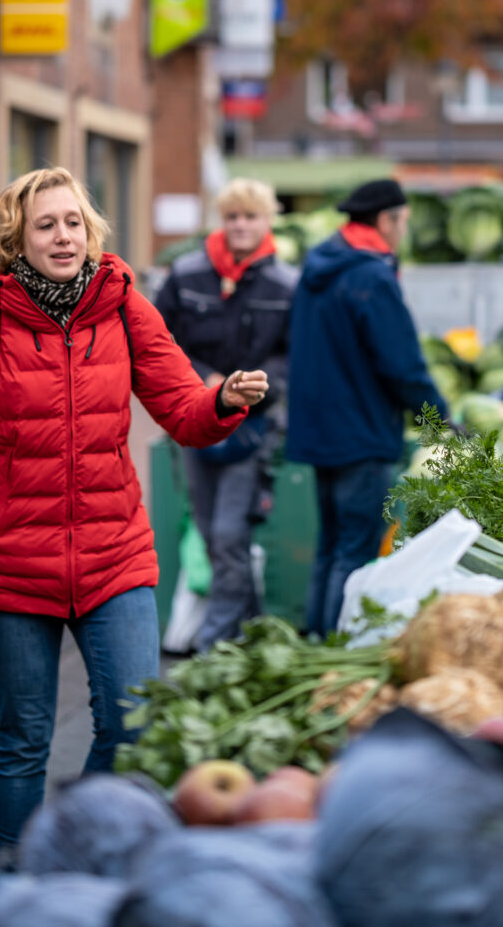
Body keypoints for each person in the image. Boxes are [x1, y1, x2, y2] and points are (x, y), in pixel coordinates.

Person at [0, 167, 268, 861]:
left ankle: (71, 857)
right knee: (23, 739)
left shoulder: (123, 303)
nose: (63, 236)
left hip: (113, 554)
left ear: (90, 230)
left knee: (133, 723)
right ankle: (8, 886)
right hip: (13, 563)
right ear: (17, 239)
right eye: (46, 225)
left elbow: (181, 407)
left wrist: (221, 400)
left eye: (73, 222)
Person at [286, 178, 448, 639]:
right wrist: (438, 420)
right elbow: (402, 365)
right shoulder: (371, 276)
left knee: (331, 547)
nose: (403, 233)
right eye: (403, 223)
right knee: (353, 553)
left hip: (319, 434)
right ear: (385, 220)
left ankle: (315, 646)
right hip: (361, 436)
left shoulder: (318, 269)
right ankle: (335, 655)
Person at [154, 178, 297, 652]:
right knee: (216, 539)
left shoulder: (287, 285)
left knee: (228, 534)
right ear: (221, 220)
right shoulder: (186, 275)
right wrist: (203, 379)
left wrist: (253, 387)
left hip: (252, 428)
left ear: (266, 221)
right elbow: (157, 341)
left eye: (250, 216)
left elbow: (292, 357)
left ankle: (211, 648)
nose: (240, 225)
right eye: (232, 216)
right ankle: (253, 632)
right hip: (195, 421)